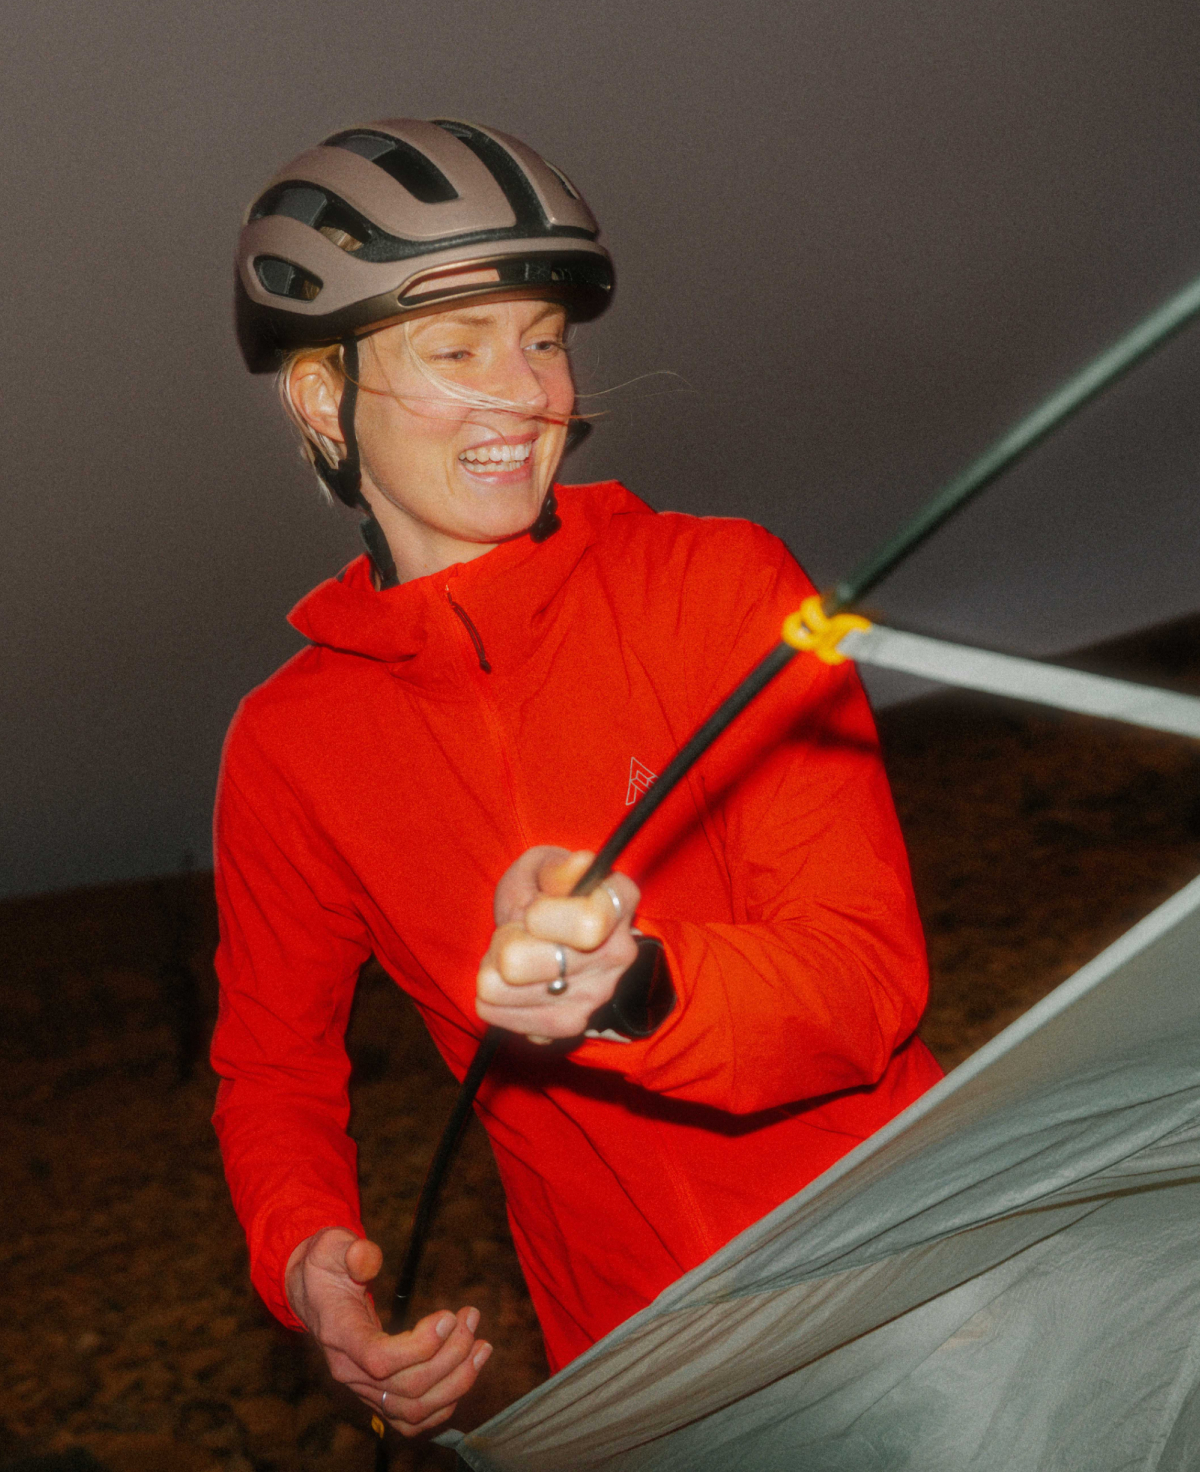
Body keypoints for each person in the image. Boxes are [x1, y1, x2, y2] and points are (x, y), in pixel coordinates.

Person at [211, 116, 943, 1440]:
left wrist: (637, 989)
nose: (528, 393)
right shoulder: (286, 744)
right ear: (322, 397)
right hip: (644, 1372)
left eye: (542, 341)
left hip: (924, 1277)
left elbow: (867, 977)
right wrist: (309, 1263)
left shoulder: (718, 587)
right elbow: (272, 1066)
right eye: (456, 348)